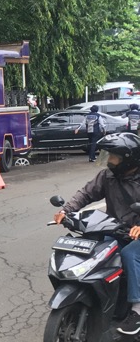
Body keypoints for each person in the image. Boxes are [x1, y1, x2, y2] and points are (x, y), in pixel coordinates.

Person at [52, 132, 140, 335]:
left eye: (113, 156)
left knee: (130, 254)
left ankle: (137, 310)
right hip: (118, 229)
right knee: (96, 251)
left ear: (128, 159)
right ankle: (99, 298)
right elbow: (87, 193)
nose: (109, 160)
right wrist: (66, 211)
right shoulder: (108, 176)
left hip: (137, 233)